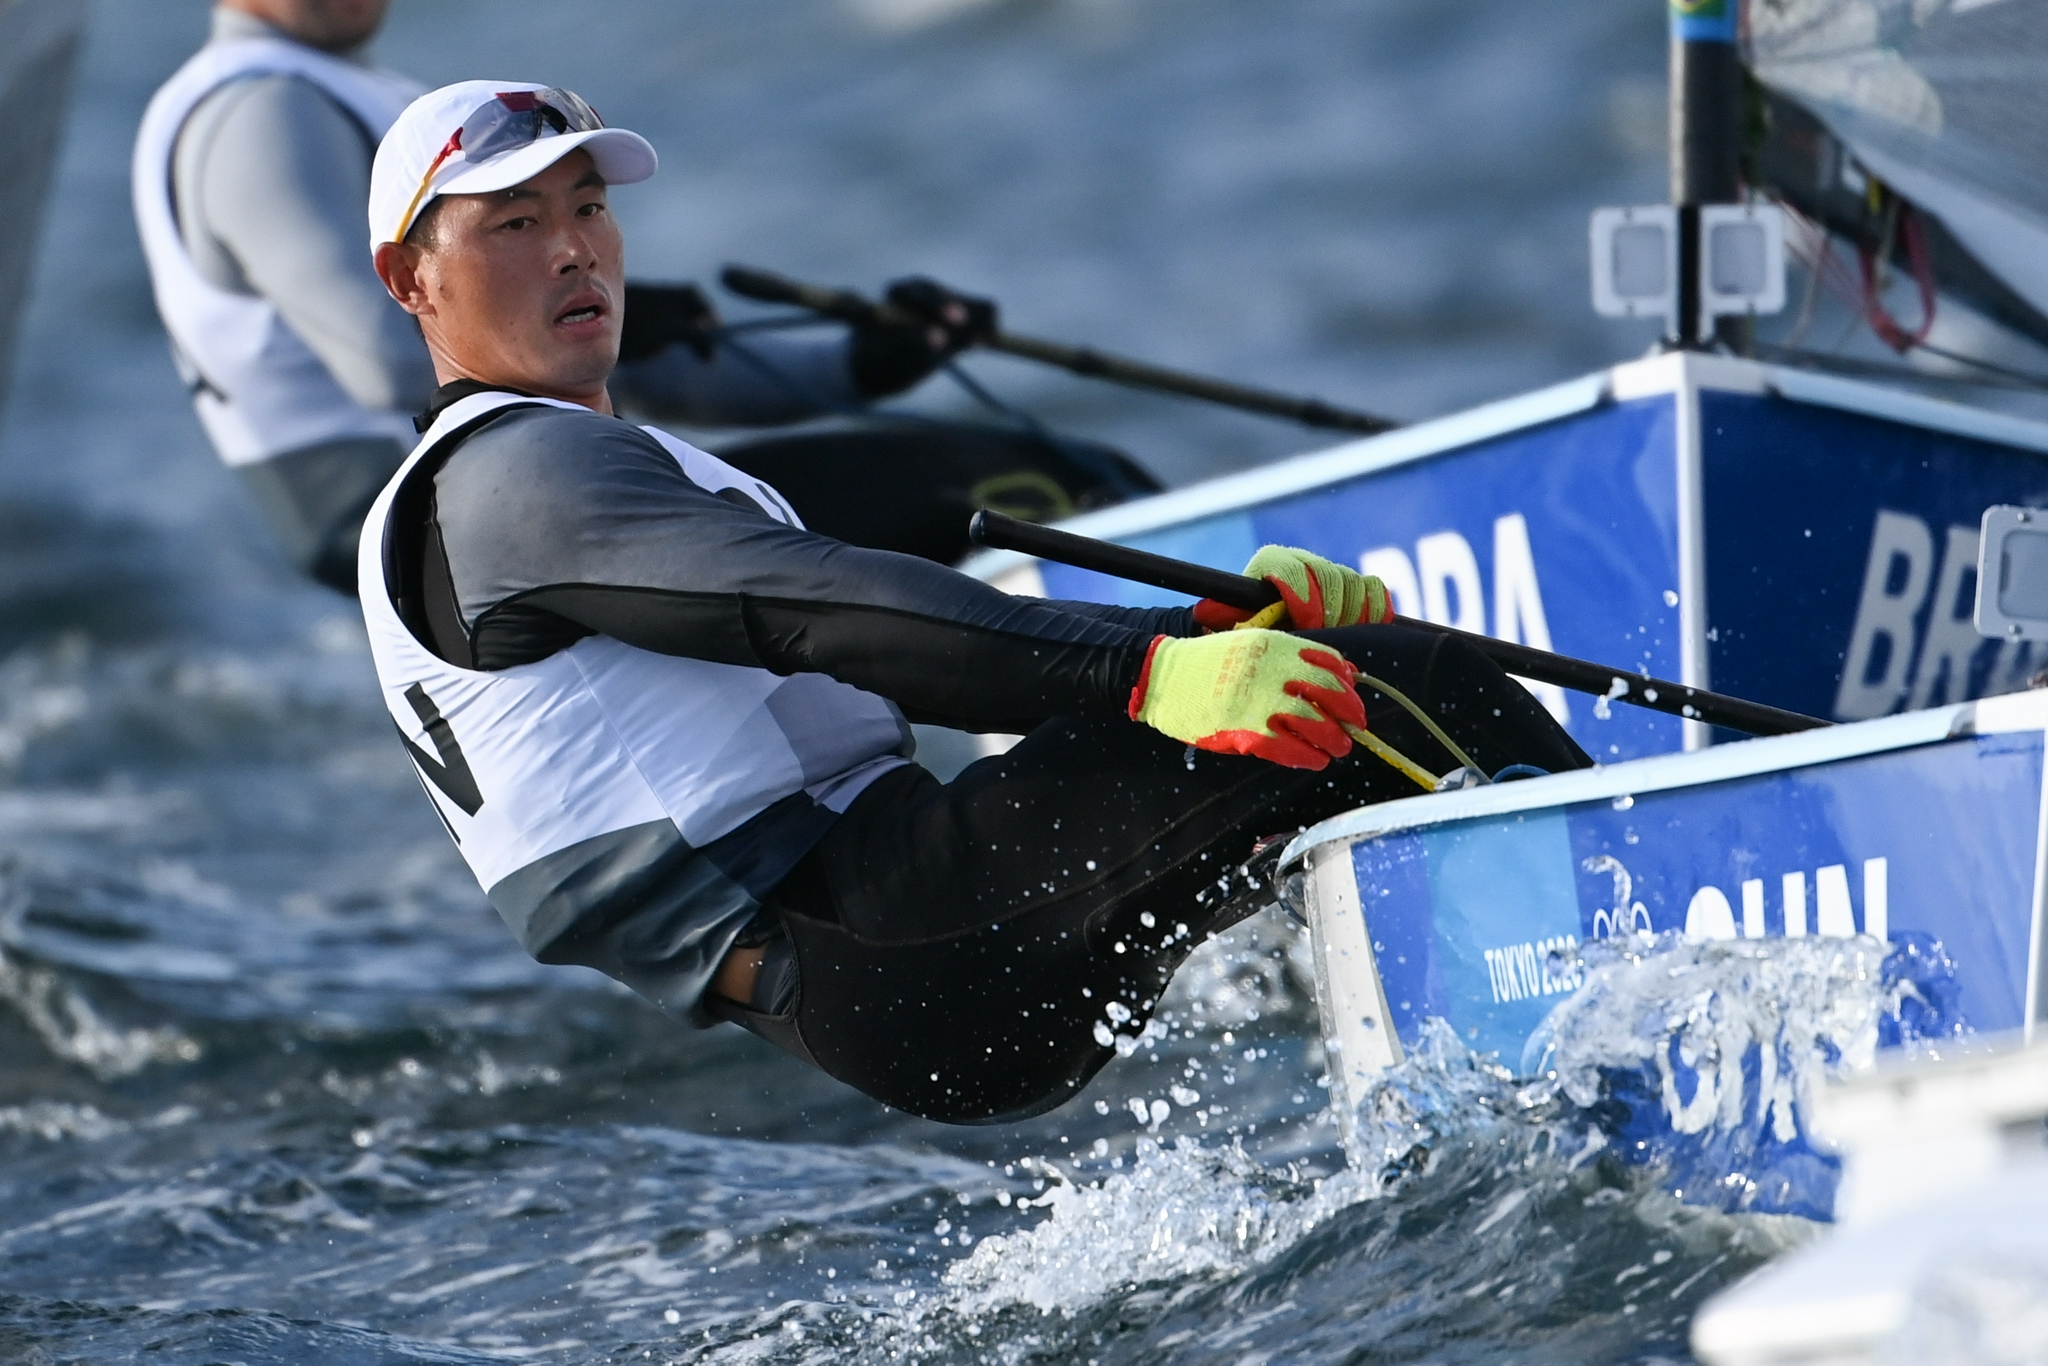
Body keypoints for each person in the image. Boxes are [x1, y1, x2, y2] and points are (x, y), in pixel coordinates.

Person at [358, 82, 1589, 1125]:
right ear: (410, 278)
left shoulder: (534, 474)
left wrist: (1221, 638)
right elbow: (823, 611)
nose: (573, 248)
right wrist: (1154, 669)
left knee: (1316, 716)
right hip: (884, 933)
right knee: (1386, 686)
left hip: (873, 961)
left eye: (588, 209)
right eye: (514, 221)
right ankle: (1661, 980)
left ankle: (1519, 1063)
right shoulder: (510, 478)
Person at [132, 1, 1013, 594]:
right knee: (1026, 490)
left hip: (518, 479)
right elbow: (382, 360)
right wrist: (607, 317)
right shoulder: (259, 112)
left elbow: (591, 375)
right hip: (448, 512)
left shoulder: (348, 95)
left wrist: (865, 362)